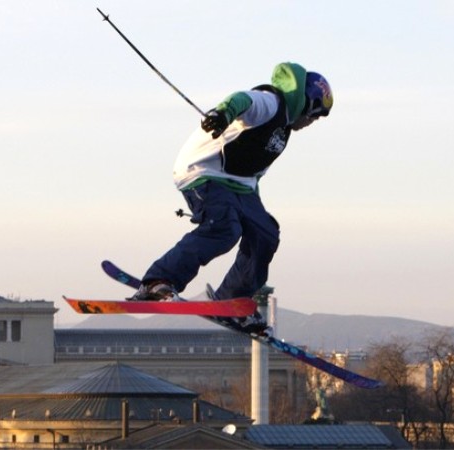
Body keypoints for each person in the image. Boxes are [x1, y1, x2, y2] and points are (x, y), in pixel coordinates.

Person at [131, 61, 333, 333]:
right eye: (316, 115)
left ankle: (233, 300)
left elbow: (254, 172)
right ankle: (156, 282)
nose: (313, 122)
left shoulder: (283, 132)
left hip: (239, 184)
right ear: (307, 105)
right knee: (224, 228)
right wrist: (222, 113)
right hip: (203, 170)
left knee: (265, 234)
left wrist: (256, 213)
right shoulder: (270, 103)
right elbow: (242, 100)